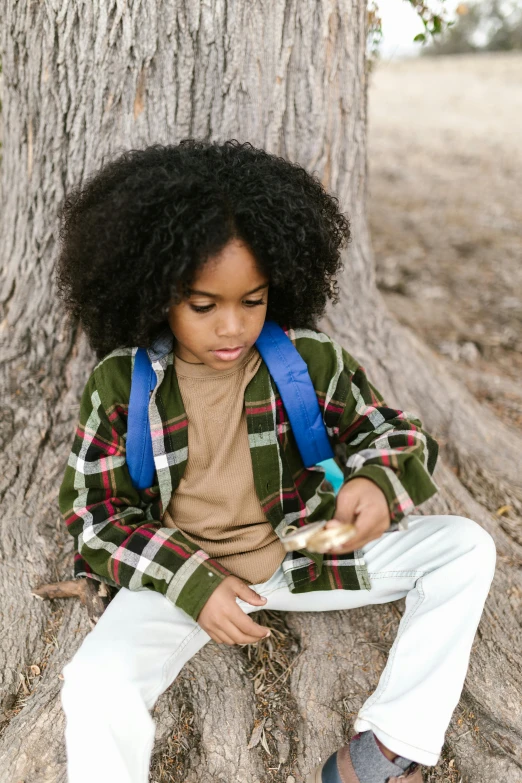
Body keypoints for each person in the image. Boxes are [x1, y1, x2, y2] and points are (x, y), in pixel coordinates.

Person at [56, 139, 496, 783]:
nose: (232, 327)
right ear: (154, 294)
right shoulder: (122, 386)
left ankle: (388, 747)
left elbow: (393, 432)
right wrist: (196, 584)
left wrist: (377, 482)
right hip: (184, 578)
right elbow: (96, 518)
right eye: (204, 306)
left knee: (464, 546)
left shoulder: (307, 362)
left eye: (253, 301)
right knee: (93, 683)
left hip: (303, 553)